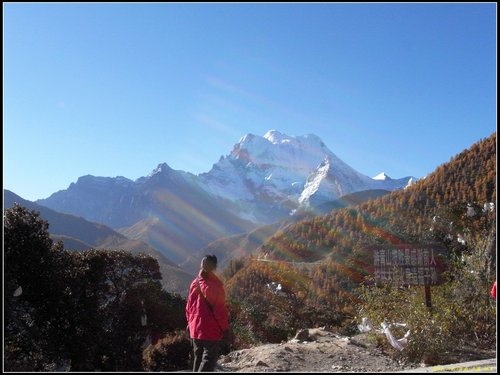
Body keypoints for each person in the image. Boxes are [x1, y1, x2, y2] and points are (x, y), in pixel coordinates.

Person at [185, 254, 229, 372]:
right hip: (210, 328)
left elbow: (188, 306)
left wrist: (189, 323)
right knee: (209, 358)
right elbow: (220, 311)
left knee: (197, 357)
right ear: (214, 267)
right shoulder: (216, 287)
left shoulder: (195, 283)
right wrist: (224, 327)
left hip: (195, 327)